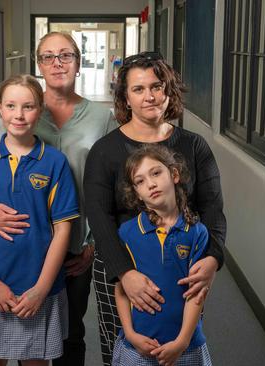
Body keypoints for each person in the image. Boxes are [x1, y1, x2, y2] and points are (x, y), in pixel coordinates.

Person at [0, 31, 119, 366]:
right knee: (14, 332)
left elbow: (111, 189)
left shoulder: (102, 119)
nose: (57, 63)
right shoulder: (21, 110)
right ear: (39, 64)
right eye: (48, 56)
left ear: (78, 61)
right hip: (20, 244)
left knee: (68, 334)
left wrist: (92, 244)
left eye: (66, 55)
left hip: (74, 247)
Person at [84, 51, 226, 365]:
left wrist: (214, 258)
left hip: (180, 263)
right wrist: (125, 274)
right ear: (125, 97)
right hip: (121, 264)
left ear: (168, 90)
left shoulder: (194, 146)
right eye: (138, 89)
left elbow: (213, 209)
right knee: (123, 351)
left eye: (157, 86)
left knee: (179, 346)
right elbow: (99, 217)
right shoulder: (104, 151)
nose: (149, 96)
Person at [0, 74, 80, 365]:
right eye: (11, 105)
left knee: (35, 360)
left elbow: (63, 230)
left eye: (28, 106)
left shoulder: (54, 162)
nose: (19, 115)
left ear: (40, 110)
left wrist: (41, 288)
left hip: (37, 283)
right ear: (0, 108)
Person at [112, 144, 212, 366]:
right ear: (136, 192)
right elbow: (121, 290)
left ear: (174, 174)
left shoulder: (197, 233)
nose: (151, 184)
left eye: (156, 173)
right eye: (140, 181)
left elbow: (196, 293)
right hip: (138, 345)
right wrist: (130, 334)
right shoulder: (127, 232)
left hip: (185, 346)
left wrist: (182, 342)